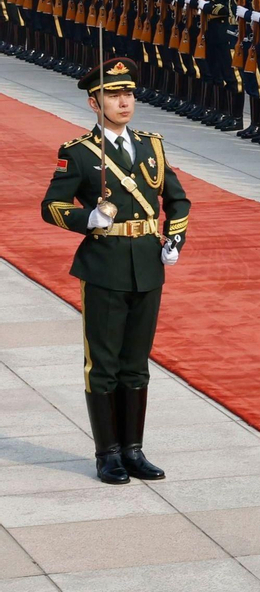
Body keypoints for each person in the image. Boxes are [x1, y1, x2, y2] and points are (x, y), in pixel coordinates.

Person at [40, 57, 190, 485]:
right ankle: (107, 453)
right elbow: (51, 206)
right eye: (113, 95)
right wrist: (87, 218)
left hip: (147, 264)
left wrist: (175, 238)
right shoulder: (79, 154)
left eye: (128, 94)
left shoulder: (152, 146)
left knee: (136, 363)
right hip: (104, 266)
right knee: (103, 364)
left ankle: (134, 449)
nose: (124, 102)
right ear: (94, 103)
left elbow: (177, 200)